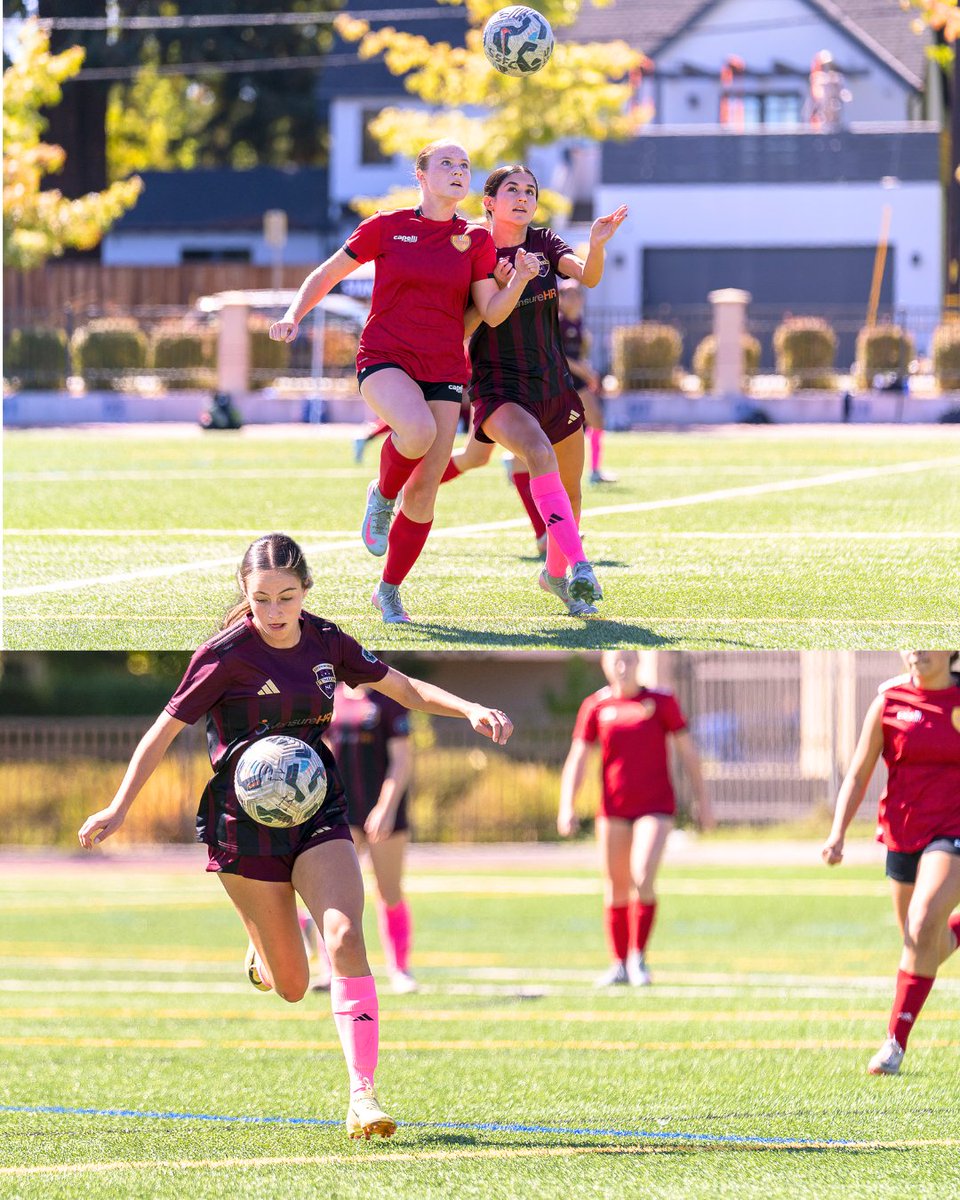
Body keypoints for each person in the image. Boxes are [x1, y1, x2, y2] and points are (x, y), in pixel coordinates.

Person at [77, 532, 514, 1139]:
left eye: (287, 597)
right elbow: (162, 731)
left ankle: (363, 1095)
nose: (275, 613)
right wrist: (120, 806)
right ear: (245, 595)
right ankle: (262, 952)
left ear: (306, 590)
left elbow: (401, 688)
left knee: (344, 934)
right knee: (291, 986)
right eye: (262, 600)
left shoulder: (327, 641)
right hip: (241, 823)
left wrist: (468, 708)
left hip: (317, 812)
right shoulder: (223, 655)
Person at [269, 140, 540, 624]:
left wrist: (516, 280)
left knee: (426, 492)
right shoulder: (387, 227)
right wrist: (293, 314)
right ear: (421, 175)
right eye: (446, 164)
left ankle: (388, 591)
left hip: (444, 367)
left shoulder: (476, 240)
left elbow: (492, 313)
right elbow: (329, 272)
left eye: (464, 165)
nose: (458, 171)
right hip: (384, 357)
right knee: (417, 432)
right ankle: (381, 496)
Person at [463, 165, 627, 617]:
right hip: (500, 386)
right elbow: (476, 322)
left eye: (530, 191)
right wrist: (502, 282)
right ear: (489, 202)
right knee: (537, 453)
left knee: (571, 492)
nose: (522, 197)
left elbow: (587, 277)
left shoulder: (545, 242)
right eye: (511, 190)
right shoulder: (474, 250)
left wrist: (596, 245)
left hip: (554, 384)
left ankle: (554, 575)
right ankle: (580, 567)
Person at [822, 650, 960, 1076]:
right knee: (921, 946)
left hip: (951, 833)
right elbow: (860, 772)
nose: (917, 649)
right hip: (902, 835)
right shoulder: (888, 701)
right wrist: (837, 832)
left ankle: (893, 1045)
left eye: (928, 640)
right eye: (910, 640)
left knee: (920, 925)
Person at [558, 650, 711, 986]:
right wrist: (566, 805)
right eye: (616, 660)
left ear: (639, 663)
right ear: (604, 664)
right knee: (615, 885)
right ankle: (618, 965)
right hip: (612, 809)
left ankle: (638, 957)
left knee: (641, 877)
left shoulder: (661, 701)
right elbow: (578, 759)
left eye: (629, 659)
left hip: (655, 807)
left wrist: (703, 802)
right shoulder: (595, 706)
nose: (623, 666)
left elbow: (688, 752)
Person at [325, 678, 419, 994]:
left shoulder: (389, 702)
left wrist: (385, 807)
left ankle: (400, 970)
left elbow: (402, 759)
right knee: (331, 896)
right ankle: (329, 969)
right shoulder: (330, 699)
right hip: (340, 812)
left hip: (385, 814)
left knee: (389, 890)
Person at [557, 278, 615, 485]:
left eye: (576, 294)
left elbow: (578, 354)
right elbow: (558, 355)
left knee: (592, 421)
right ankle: (594, 472)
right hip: (562, 380)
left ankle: (595, 471)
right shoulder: (558, 322)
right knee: (557, 428)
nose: (573, 298)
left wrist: (590, 372)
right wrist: (584, 370)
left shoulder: (579, 323)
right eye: (566, 294)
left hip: (577, 380)